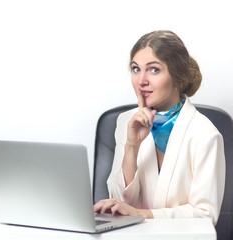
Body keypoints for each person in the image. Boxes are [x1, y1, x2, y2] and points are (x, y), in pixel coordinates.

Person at [93, 30, 225, 225]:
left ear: (177, 75)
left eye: (154, 70)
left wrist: (143, 215)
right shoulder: (126, 121)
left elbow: (205, 214)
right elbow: (120, 203)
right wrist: (132, 146)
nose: (141, 81)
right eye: (136, 69)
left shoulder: (204, 134)